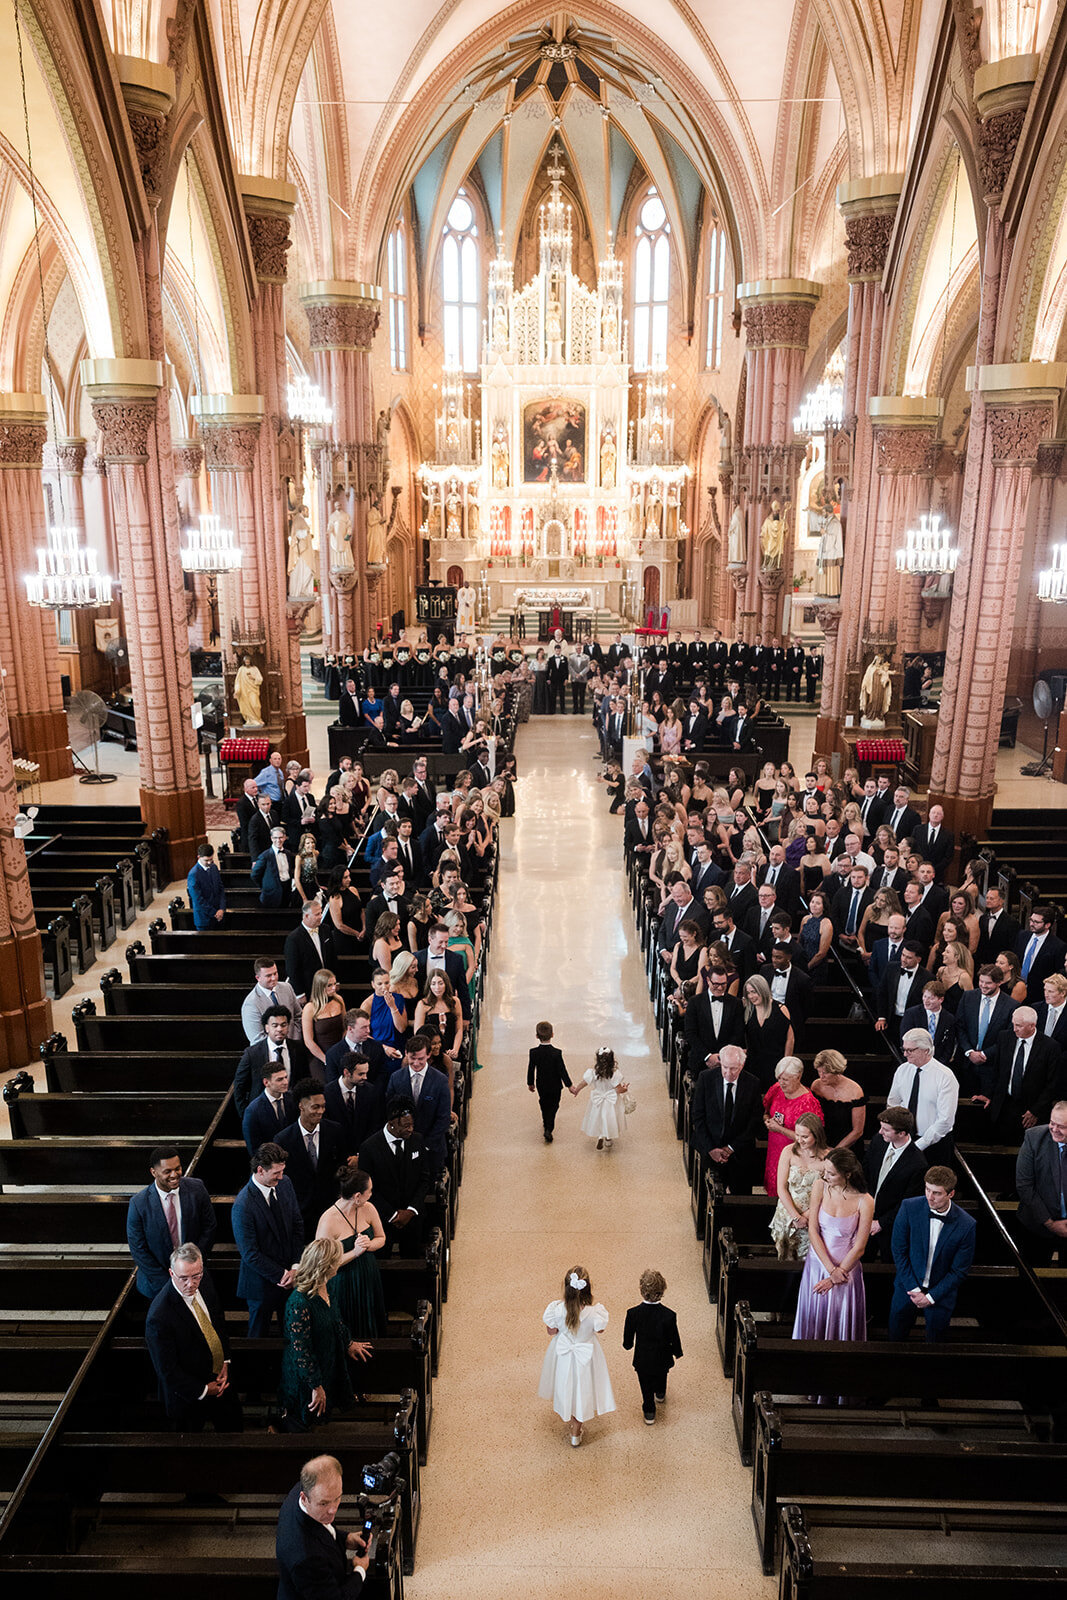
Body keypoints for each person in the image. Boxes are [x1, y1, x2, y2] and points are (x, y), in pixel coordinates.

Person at [145, 1243, 242, 1432]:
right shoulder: (159, 1316)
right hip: (188, 1395)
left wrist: (225, 1360)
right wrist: (204, 1390)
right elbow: (167, 1371)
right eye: (184, 1278)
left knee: (234, 1431)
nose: (191, 1284)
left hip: (220, 1378)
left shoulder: (204, 1281)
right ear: (171, 1273)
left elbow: (218, 1321)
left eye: (196, 1276)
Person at [278, 1239, 372, 1431]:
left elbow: (336, 1320)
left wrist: (348, 1343)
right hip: (305, 1376)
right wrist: (315, 1386)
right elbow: (301, 1351)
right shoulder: (299, 1303)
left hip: (327, 1360)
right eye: (337, 1259)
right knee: (305, 1422)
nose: (340, 1262)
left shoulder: (326, 1286)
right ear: (327, 1266)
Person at [791, 1147, 873, 1354]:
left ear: (848, 1174)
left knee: (839, 1317)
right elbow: (813, 1229)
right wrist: (830, 1270)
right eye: (825, 1171)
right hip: (818, 1264)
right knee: (813, 1314)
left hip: (846, 1270)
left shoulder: (865, 1200)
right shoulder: (820, 1186)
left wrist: (838, 1274)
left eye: (831, 1173)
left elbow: (860, 1246)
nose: (825, 1176)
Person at [888, 1166, 977, 1341]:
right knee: (895, 1336)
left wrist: (930, 1297)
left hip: (941, 1293)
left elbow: (959, 1271)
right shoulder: (909, 1207)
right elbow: (898, 1250)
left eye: (936, 1193)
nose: (929, 1196)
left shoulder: (966, 1224)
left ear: (951, 1194)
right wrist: (913, 1289)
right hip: (907, 1286)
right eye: (927, 1189)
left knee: (936, 1342)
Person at [231, 1141, 304, 1336]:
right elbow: (250, 1253)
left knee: (292, 1334)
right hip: (260, 1285)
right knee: (257, 1336)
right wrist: (282, 1275)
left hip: (291, 1277)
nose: (281, 1177)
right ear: (260, 1170)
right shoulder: (243, 1204)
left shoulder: (285, 1183)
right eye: (276, 1173)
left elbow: (297, 1226)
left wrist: (295, 1267)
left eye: (282, 1171)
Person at [127, 1145, 218, 1299]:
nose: (175, 1175)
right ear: (154, 1172)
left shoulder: (197, 1189)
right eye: (167, 1171)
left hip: (195, 1279)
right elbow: (138, 1249)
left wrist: (191, 1268)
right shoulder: (139, 1204)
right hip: (158, 1285)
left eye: (177, 1169)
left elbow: (209, 1227)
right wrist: (170, 1284)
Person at [539, 1266, 616, 1448]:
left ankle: (568, 1413)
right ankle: (576, 1431)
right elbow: (600, 1330)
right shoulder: (594, 1313)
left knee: (566, 1384)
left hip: (564, 1355)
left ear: (566, 1288)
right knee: (583, 1388)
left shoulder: (557, 1310)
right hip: (586, 1355)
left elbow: (551, 1331)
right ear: (588, 1289)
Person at [276, 1453, 371, 1597]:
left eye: (337, 1498)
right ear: (304, 1498)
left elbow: (321, 1529)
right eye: (324, 1503)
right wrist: (360, 1570)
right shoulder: (307, 1558)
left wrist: (345, 1539)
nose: (333, 1510)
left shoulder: (302, 1491)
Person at [315, 1166, 387, 1339]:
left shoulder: (369, 1208)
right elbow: (322, 1263)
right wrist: (355, 1252)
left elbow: (381, 1237)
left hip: (369, 1276)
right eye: (369, 1191)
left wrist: (369, 1245)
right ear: (357, 1196)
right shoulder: (328, 1221)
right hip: (343, 1282)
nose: (371, 1194)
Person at [972, 1004, 1062, 1143]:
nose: (1014, 1029)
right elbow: (997, 1071)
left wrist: (1036, 1111)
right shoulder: (1004, 1037)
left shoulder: (1050, 1047)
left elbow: (1052, 1084)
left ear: (1032, 1026)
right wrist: (989, 1094)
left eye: (1019, 1026)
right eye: (1013, 1024)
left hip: (1031, 1110)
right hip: (1003, 1106)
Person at [357, 1098, 431, 1256]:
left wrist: (411, 1210)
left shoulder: (417, 1140)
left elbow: (424, 1179)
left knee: (413, 1260)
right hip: (382, 1220)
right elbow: (366, 1189)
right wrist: (392, 1215)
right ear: (391, 1124)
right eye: (406, 1126)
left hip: (413, 1218)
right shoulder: (369, 1148)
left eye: (412, 1125)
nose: (411, 1129)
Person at [691, 1044, 763, 1195]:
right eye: (725, 1067)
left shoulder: (753, 1083)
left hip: (739, 1151)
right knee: (706, 1195)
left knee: (741, 1197)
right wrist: (711, 1149)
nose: (728, 1073)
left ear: (742, 1065)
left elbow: (754, 1121)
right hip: (710, 1147)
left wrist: (731, 1147)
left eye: (733, 1069)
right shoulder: (706, 1078)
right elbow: (698, 1117)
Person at [863, 1107, 928, 1261]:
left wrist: (881, 1223)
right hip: (865, 1217)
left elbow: (909, 1202)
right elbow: (865, 1173)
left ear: (902, 1133)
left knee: (889, 1265)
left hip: (892, 1228)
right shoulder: (878, 1141)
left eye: (886, 1129)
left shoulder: (918, 1163)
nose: (880, 1132)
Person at [885, 1027, 959, 1163]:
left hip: (935, 1144)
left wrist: (919, 1145)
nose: (905, 1054)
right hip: (905, 1139)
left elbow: (945, 1120)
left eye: (910, 1050)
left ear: (926, 1050)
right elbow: (893, 1104)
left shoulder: (945, 1076)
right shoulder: (902, 1070)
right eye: (904, 1049)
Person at [622, 1268, 683, 1426]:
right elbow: (674, 1337)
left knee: (645, 1383)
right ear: (662, 1291)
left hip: (642, 1358)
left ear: (642, 1291)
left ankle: (649, 1410)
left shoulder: (633, 1314)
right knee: (662, 1374)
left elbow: (628, 1339)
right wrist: (677, 1352)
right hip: (663, 1357)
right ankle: (660, 1393)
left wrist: (628, 1345)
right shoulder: (669, 1315)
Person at [386, 1033, 451, 1173]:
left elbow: (443, 1118)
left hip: (431, 1149)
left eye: (420, 1059)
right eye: (412, 1058)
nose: (416, 1063)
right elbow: (389, 1111)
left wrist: (424, 1145)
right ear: (406, 1053)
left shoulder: (440, 1081)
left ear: (428, 1055)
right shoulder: (396, 1078)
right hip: (402, 1146)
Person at [769, 1112, 830, 1261]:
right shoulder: (788, 1151)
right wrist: (796, 1217)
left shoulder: (829, 1157)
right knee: (785, 1258)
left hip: (813, 1215)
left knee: (809, 1260)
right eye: (797, 1135)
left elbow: (829, 1193)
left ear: (816, 1135)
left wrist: (806, 1216)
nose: (799, 1140)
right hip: (788, 1212)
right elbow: (781, 1188)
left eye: (805, 1136)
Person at [762, 1057, 823, 1196]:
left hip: (795, 1154)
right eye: (779, 1078)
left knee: (789, 1192)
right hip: (775, 1151)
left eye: (786, 1079)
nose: (781, 1083)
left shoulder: (808, 1102)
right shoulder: (776, 1089)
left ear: (798, 1077)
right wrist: (767, 1120)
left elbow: (811, 1138)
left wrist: (779, 1129)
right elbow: (766, 1111)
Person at [1016, 1102, 1067, 1261]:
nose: (1054, 1129)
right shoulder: (1034, 1137)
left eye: (1061, 1126)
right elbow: (1024, 1186)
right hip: (1037, 1225)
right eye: (1052, 1123)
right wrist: (1050, 1223)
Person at [571, 1045, 630, 1151]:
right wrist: (625, 1088)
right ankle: (608, 1139)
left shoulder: (593, 1073)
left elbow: (584, 1083)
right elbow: (619, 1090)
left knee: (599, 1117)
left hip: (597, 1099)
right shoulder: (614, 1074)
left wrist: (576, 1090)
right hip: (611, 1101)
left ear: (597, 1060)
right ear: (612, 1060)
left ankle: (600, 1136)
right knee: (609, 1118)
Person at [742, 974, 794, 1090]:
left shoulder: (781, 1009)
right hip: (753, 1064)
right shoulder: (748, 1010)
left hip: (776, 1063)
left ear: (762, 989)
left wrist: (785, 1064)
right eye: (748, 993)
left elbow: (790, 1039)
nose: (751, 996)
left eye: (754, 992)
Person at [810, 1047, 866, 1150]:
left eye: (825, 1073)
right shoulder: (816, 1085)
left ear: (836, 1071)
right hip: (822, 1143)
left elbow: (858, 1131)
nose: (821, 1076)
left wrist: (834, 1152)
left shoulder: (855, 1091)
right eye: (819, 1072)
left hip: (847, 1145)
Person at [527, 1019, 573, 1143]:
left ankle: (545, 1121)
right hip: (555, 1086)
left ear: (537, 1036)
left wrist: (530, 1083)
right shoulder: (556, 1053)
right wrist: (569, 1085)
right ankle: (549, 1128)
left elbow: (531, 1068)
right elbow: (562, 1070)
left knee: (544, 1102)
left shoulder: (533, 1053)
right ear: (552, 1035)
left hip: (541, 1084)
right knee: (554, 1105)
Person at [285, 901, 337, 1006]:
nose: (321, 916)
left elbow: (332, 957)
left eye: (321, 913)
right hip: (309, 987)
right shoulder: (294, 938)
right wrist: (300, 993)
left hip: (327, 986)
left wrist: (335, 981)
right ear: (306, 916)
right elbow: (292, 969)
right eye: (317, 914)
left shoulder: (326, 929)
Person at [303, 969, 346, 1072]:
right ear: (320, 987)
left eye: (335, 984)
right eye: (329, 985)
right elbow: (308, 1041)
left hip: (340, 1052)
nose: (334, 988)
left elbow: (345, 1027)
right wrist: (326, 1060)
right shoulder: (310, 1008)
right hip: (320, 1056)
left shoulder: (339, 1000)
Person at [186, 841, 226, 928]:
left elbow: (220, 888)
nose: (209, 862)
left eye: (211, 859)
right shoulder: (193, 874)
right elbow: (198, 899)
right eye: (206, 860)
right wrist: (215, 913)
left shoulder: (214, 867)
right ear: (199, 857)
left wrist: (222, 908)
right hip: (204, 920)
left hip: (219, 915)